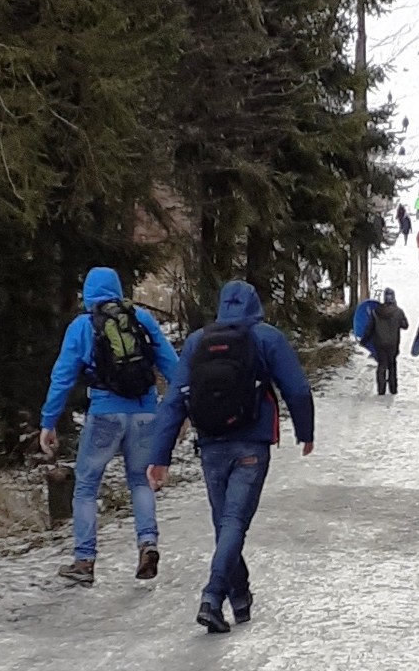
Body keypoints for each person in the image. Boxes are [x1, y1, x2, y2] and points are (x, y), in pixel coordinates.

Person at [147, 281, 313, 634]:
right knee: (234, 523)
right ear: (255, 304)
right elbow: (296, 388)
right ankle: (212, 596)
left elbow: (175, 400)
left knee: (225, 522)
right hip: (252, 444)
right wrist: (306, 431)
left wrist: (159, 456)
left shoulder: (196, 342)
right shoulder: (267, 338)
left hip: (210, 445)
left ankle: (240, 596)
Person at [38, 267, 179, 586]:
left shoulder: (81, 326)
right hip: (145, 412)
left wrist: (49, 422)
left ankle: (84, 561)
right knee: (141, 481)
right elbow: (173, 366)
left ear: (87, 293)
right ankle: (147, 543)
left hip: (104, 414)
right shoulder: (141, 319)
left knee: (86, 486)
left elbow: (62, 377)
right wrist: (183, 407)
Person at [363, 287, 408, 397]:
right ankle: (393, 389)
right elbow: (405, 325)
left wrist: (364, 340)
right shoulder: (398, 312)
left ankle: (381, 390)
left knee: (382, 365)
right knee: (392, 365)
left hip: (380, 344)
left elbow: (369, 329)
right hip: (393, 344)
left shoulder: (376, 312)